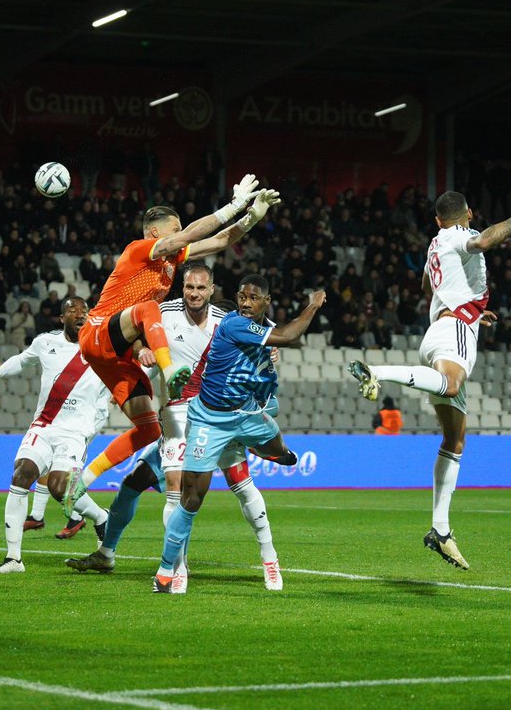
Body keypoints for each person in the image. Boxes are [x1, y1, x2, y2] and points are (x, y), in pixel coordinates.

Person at [346, 186, 511, 570]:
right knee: (453, 385)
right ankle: (378, 371)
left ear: (437, 220)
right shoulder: (460, 236)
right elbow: (484, 241)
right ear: (469, 214)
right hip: (454, 330)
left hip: (443, 330)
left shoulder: (435, 244)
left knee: (455, 440)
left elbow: (428, 286)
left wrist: (472, 309)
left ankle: (440, 530)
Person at [62, 178, 278, 513]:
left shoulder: (170, 260)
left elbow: (220, 240)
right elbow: (193, 234)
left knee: (149, 429)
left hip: (116, 355)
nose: (182, 233)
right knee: (150, 309)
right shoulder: (138, 249)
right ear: (154, 233)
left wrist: (252, 217)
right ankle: (170, 368)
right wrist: (233, 206)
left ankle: (82, 480)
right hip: (97, 333)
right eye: (174, 229)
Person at [66, 271, 283, 592]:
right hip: (179, 422)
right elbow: (130, 331)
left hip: (216, 417)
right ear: (184, 288)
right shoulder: (164, 313)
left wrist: (269, 354)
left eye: (201, 288)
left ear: (211, 289)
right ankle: (110, 554)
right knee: (134, 486)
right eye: (190, 287)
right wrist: (141, 348)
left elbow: (262, 335)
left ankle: (268, 560)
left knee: (240, 485)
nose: (195, 293)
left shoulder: (226, 318)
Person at [152, 276, 325, 593]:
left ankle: (270, 558)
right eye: (242, 296)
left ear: (266, 301)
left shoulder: (263, 331)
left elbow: (265, 368)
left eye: (253, 298)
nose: (245, 303)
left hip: (245, 415)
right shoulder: (234, 325)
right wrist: (313, 304)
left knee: (270, 455)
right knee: (190, 499)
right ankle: (169, 570)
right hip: (210, 421)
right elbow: (289, 336)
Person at [0, 297, 113, 574]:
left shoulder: (101, 346)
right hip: (44, 425)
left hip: (75, 432)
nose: (79, 315)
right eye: (72, 311)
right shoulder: (45, 342)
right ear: (61, 318)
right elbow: (22, 360)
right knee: (21, 475)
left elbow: (132, 364)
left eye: (84, 312)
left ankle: (101, 517)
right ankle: (13, 559)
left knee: (59, 488)